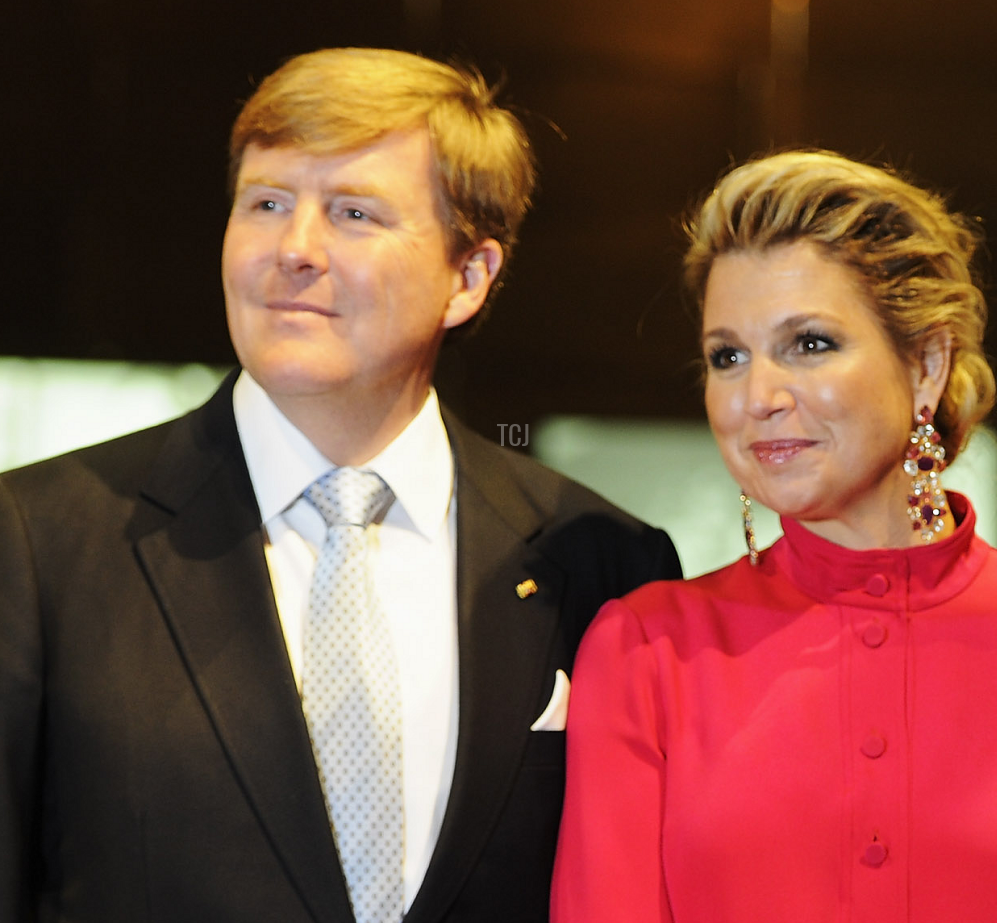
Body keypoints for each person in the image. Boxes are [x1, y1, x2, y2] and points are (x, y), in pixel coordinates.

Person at [0, 47, 680, 923]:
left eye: (354, 213)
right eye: (268, 203)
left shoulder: (599, 559)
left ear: (469, 276)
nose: (295, 249)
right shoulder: (36, 541)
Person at [550, 150, 997, 921]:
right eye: (728, 356)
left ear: (926, 364)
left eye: (810, 343)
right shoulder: (644, 650)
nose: (757, 396)